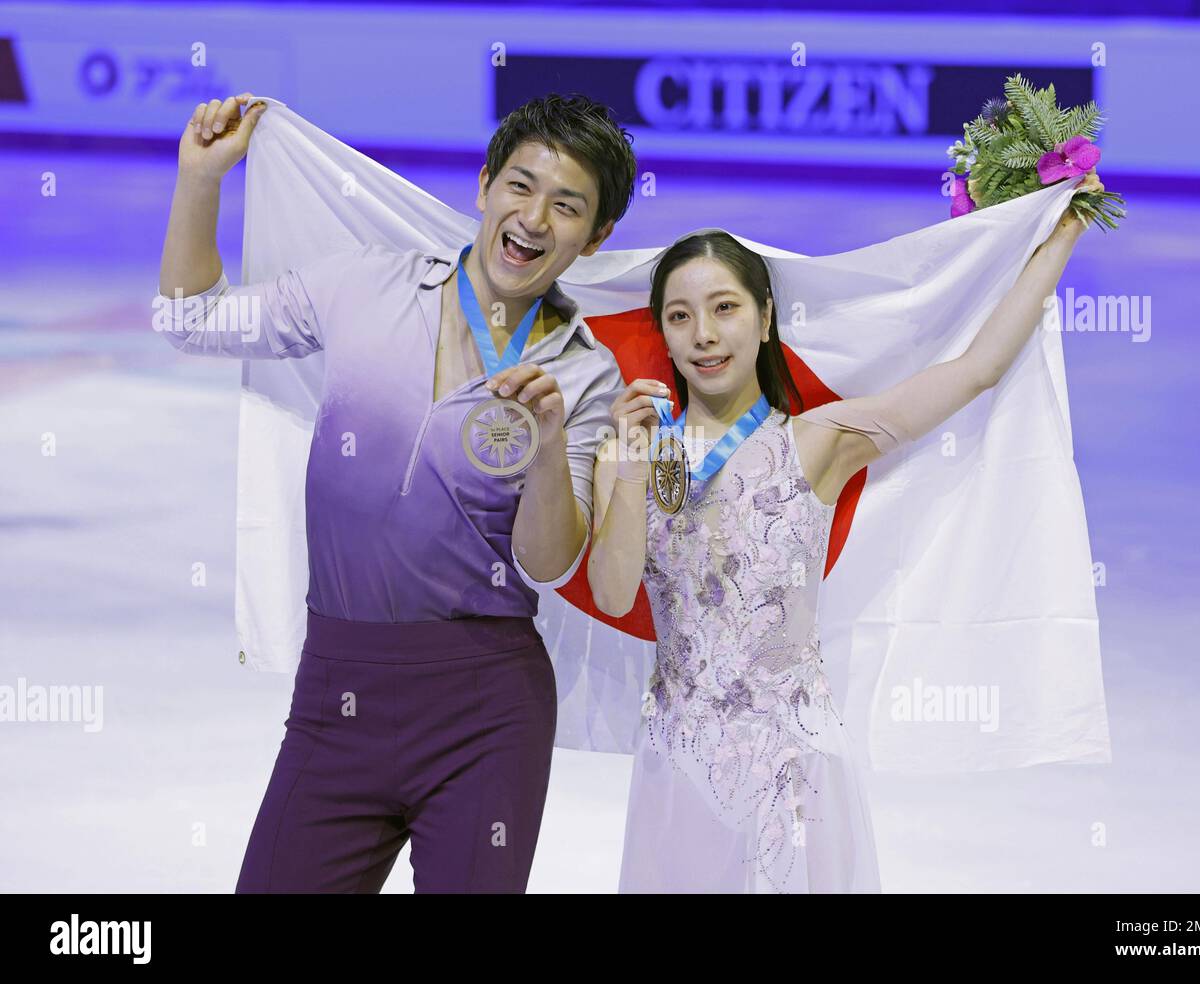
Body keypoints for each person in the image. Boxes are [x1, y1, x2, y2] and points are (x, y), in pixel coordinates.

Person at [154, 91, 635, 892]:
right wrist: (201, 180)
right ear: (484, 185)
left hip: (485, 708)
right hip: (337, 691)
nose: (534, 219)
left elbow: (549, 567)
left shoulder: (584, 374)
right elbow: (193, 320)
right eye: (520, 186)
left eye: (567, 206)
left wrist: (549, 446)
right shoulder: (361, 287)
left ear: (597, 237)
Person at [587, 169, 1105, 892]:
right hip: (678, 771)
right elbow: (613, 596)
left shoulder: (819, 441)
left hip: (794, 773)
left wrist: (1061, 233)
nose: (704, 334)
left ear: (765, 318)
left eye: (725, 308)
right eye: (680, 316)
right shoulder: (635, 450)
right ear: (662, 332)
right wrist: (633, 469)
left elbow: (977, 370)